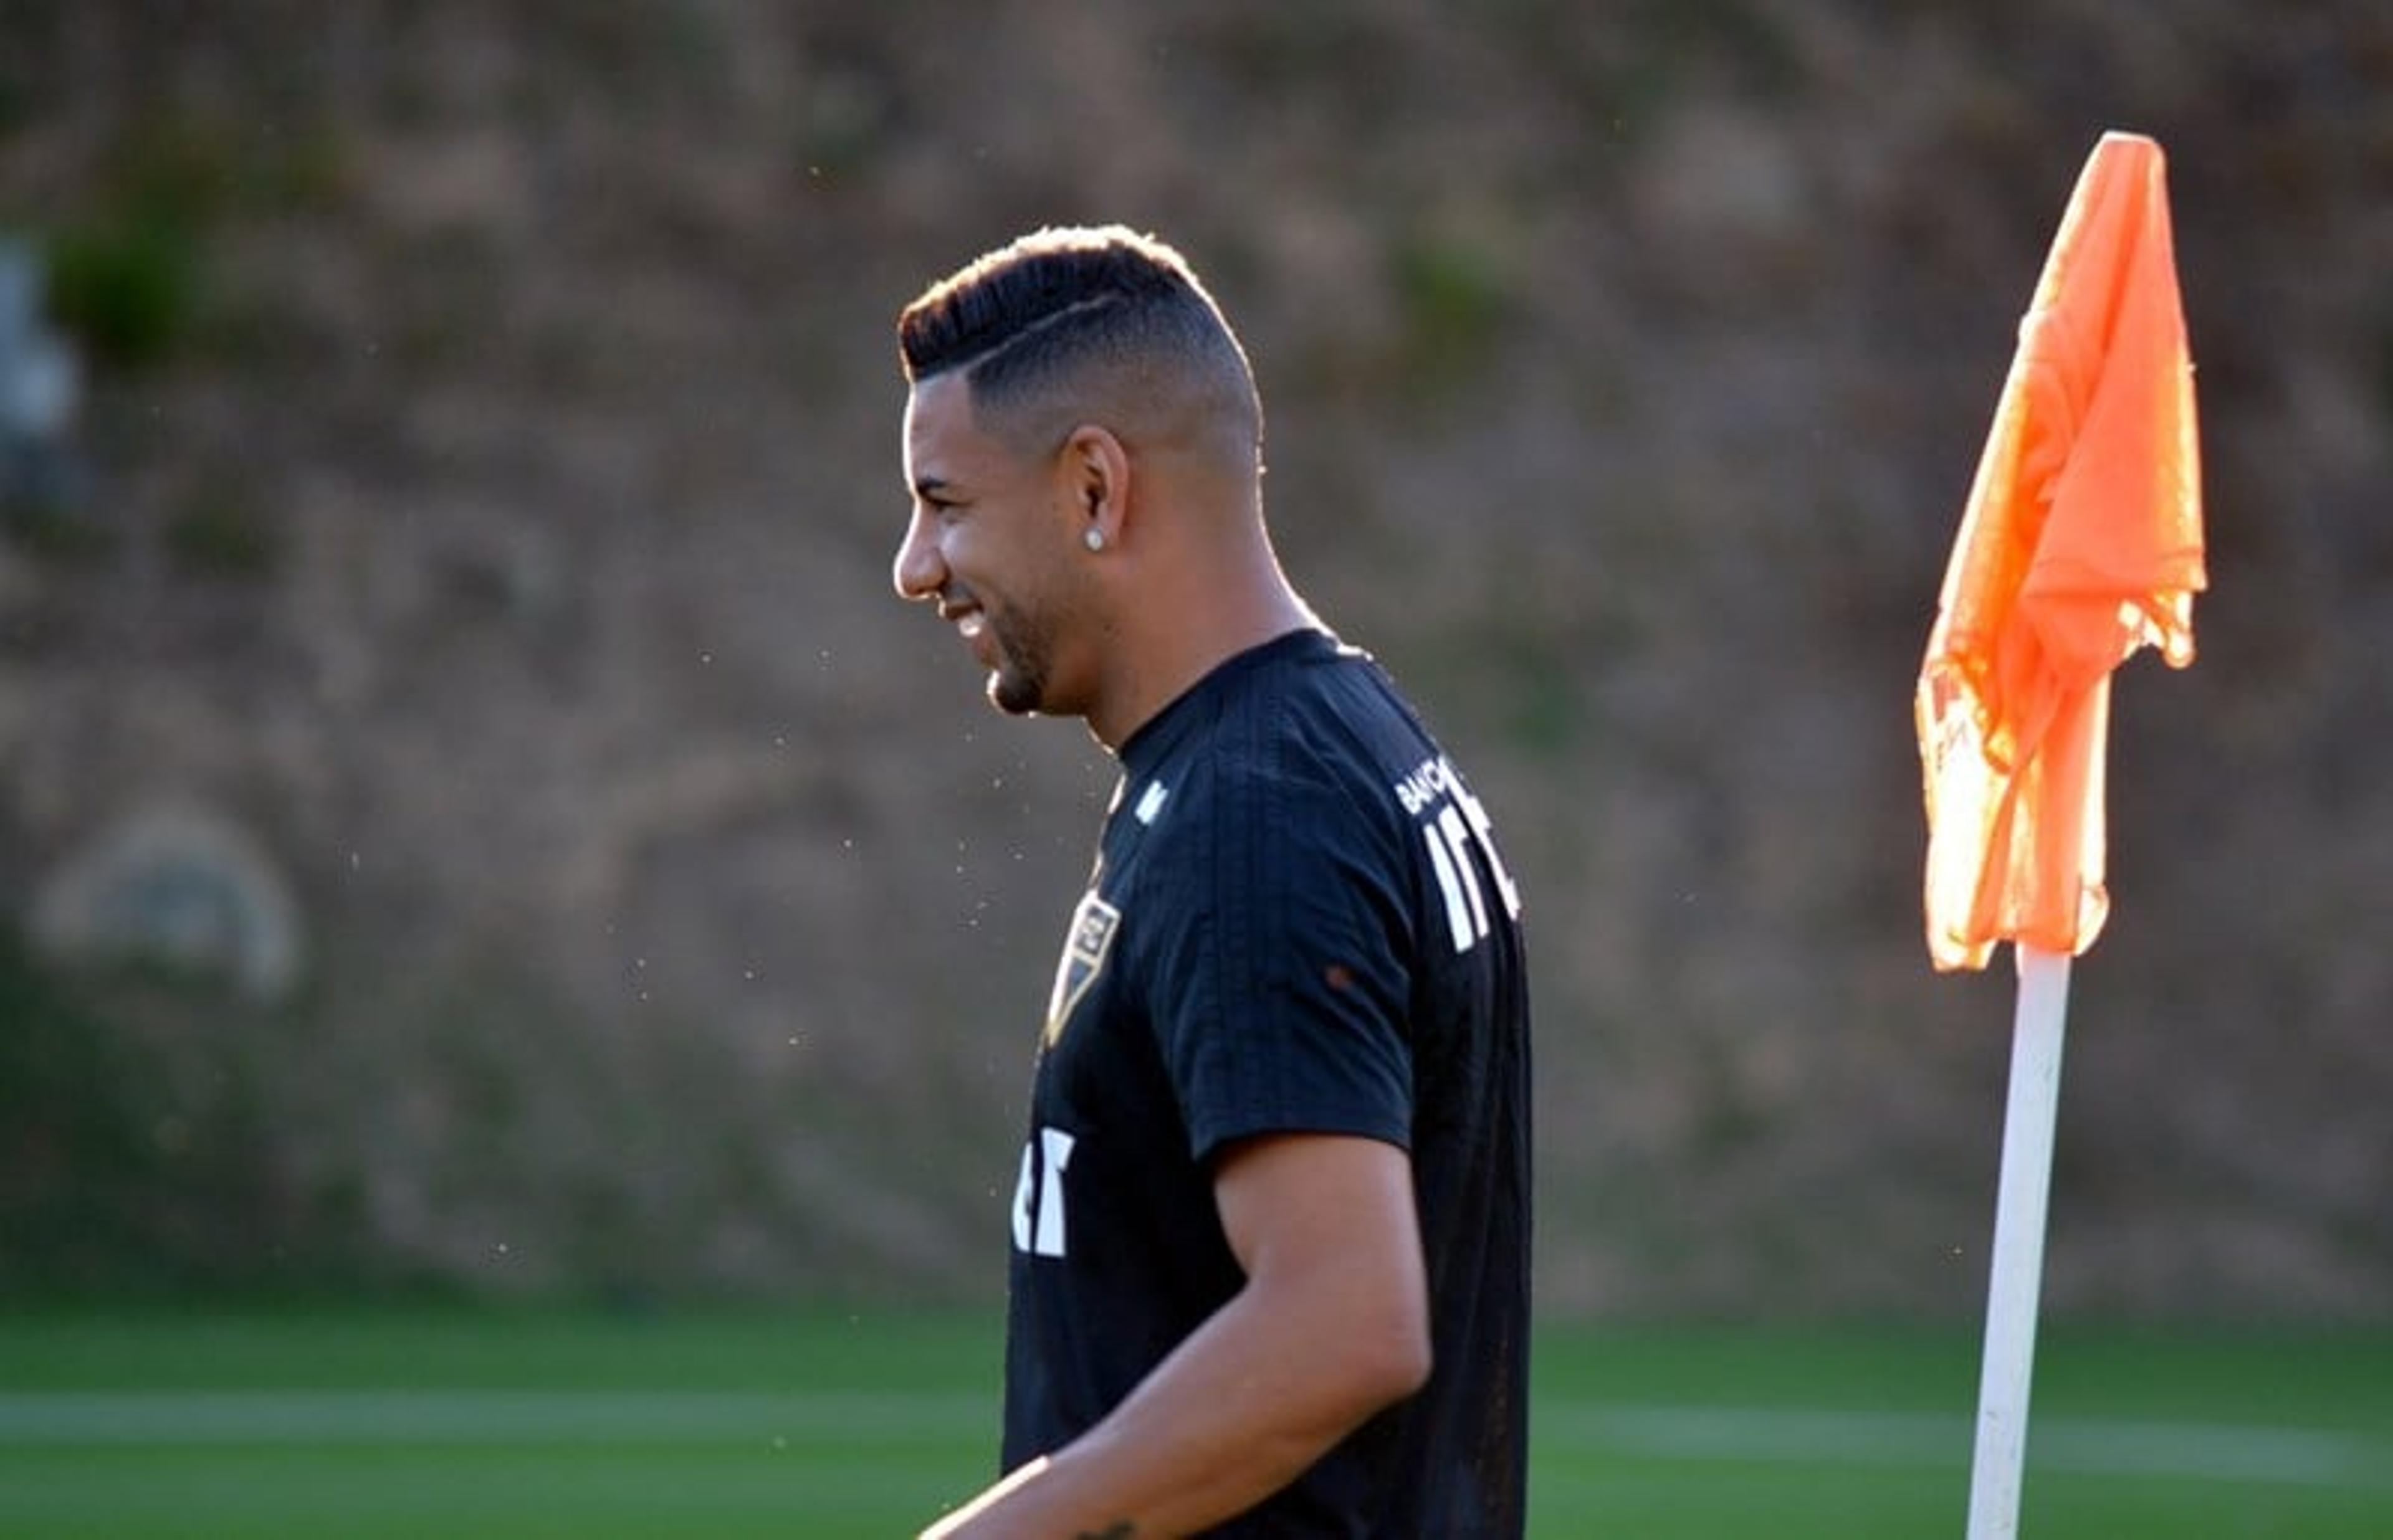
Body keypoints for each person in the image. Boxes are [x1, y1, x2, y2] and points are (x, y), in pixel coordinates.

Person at [892, 226, 1532, 1538]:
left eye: (945, 505)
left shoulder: (1256, 819)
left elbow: (1345, 1321)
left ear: (1093, 491)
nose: (914, 566)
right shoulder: (1340, 733)